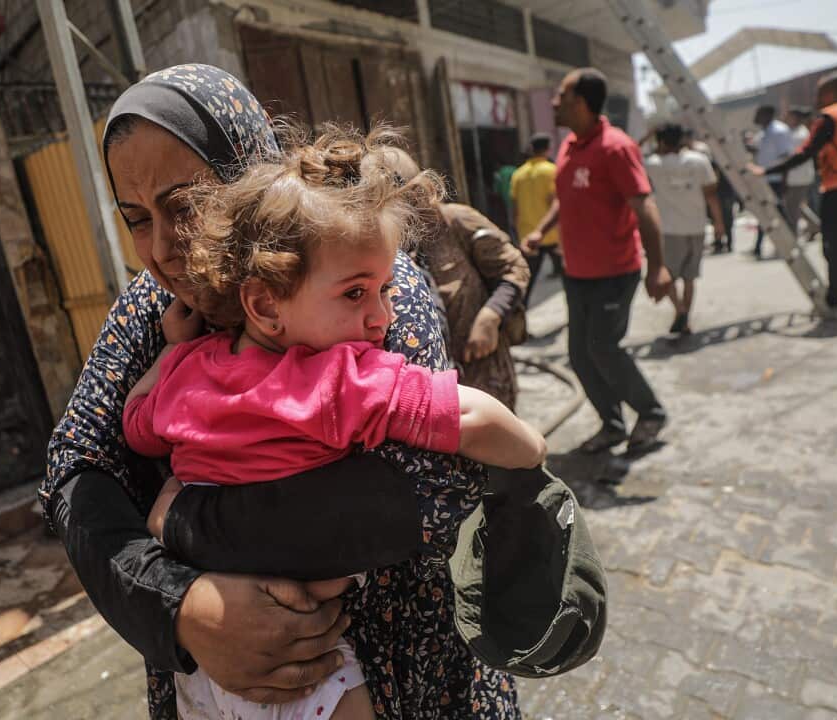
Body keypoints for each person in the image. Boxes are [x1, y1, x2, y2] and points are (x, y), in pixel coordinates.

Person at [42, 64, 520, 720]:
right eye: (136, 219)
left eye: (185, 207)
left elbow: (425, 493)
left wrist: (180, 520)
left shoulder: (367, 286)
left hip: (403, 674)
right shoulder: (150, 311)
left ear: (252, 176)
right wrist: (180, 606)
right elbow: (74, 470)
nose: (161, 248)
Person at [521, 68, 671, 455]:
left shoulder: (616, 147)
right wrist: (542, 229)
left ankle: (651, 413)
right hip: (578, 274)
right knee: (579, 355)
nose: (554, 102)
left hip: (614, 273)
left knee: (602, 346)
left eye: (561, 96)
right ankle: (613, 424)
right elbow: (563, 198)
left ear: (582, 103)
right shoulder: (570, 145)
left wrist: (658, 266)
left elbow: (645, 205)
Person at [375, 147, 531, 409]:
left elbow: (514, 268)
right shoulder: (379, 245)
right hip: (429, 397)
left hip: (484, 377)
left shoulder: (455, 221)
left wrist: (491, 316)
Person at [756, 72, 837, 319]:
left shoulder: (830, 117)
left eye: (820, 93)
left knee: (836, 250)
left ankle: (834, 302)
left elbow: (805, 152)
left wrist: (766, 170)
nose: (817, 99)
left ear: (830, 93)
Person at [645, 123, 724, 335]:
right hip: (697, 227)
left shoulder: (653, 163)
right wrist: (719, 223)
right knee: (690, 277)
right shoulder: (699, 160)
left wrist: (646, 136)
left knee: (669, 276)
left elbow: (628, 156)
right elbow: (711, 195)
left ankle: (679, 310)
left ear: (660, 141)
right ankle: (685, 317)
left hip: (669, 230)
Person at [511, 132, 563, 302]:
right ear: (548, 149)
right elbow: (556, 203)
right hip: (552, 234)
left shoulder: (518, 174)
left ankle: (521, 318)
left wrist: (516, 230)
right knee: (570, 277)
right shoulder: (552, 170)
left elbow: (515, 207)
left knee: (527, 281)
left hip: (528, 236)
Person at [751, 105, 797, 258]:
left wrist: (785, 180)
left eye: (759, 113)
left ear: (768, 114)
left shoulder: (779, 131)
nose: (755, 116)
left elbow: (786, 158)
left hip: (776, 179)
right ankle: (759, 246)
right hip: (764, 179)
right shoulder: (764, 133)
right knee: (765, 212)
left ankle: (791, 243)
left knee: (778, 214)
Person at [783, 108, 817, 236]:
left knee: (792, 208)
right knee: (796, 205)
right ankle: (815, 225)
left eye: (789, 116)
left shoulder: (799, 134)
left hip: (798, 177)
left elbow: (790, 155)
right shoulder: (795, 132)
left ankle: (793, 235)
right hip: (797, 176)